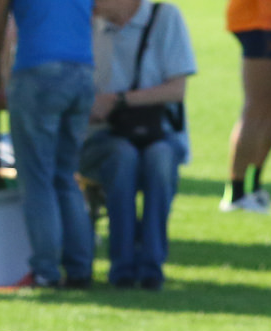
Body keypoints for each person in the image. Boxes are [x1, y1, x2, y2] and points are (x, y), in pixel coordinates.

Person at [80, 0, 196, 289]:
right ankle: (123, 266)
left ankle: (151, 266)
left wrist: (117, 101)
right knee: (123, 156)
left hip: (157, 132)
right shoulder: (86, 23)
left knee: (160, 157)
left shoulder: (164, 17)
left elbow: (177, 90)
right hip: (102, 136)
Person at [0, 0, 98, 288]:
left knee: (37, 178)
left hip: (37, 71)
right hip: (83, 72)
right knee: (66, 176)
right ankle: (80, 269)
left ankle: (46, 271)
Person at [222, 0, 271, 213]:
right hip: (258, 22)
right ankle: (236, 193)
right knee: (256, 106)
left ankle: (254, 185)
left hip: (270, 22)